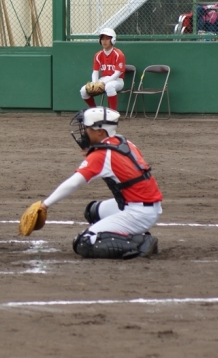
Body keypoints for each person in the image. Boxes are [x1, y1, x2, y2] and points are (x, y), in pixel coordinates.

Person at [36, 107, 162, 259]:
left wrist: (45, 205)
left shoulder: (102, 154)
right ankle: (132, 233)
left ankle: (141, 242)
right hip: (140, 204)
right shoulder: (124, 142)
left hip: (138, 212)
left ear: (100, 131)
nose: (84, 132)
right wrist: (93, 153)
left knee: (85, 242)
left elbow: (73, 183)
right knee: (93, 211)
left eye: (87, 128)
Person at [79, 28, 126, 111]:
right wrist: (95, 83)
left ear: (113, 40)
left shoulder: (118, 54)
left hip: (117, 80)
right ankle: (94, 110)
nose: (104, 41)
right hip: (102, 80)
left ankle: (113, 112)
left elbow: (117, 73)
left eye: (107, 39)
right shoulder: (98, 55)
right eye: (102, 39)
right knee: (83, 90)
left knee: (109, 86)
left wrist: (103, 83)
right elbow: (95, 72)